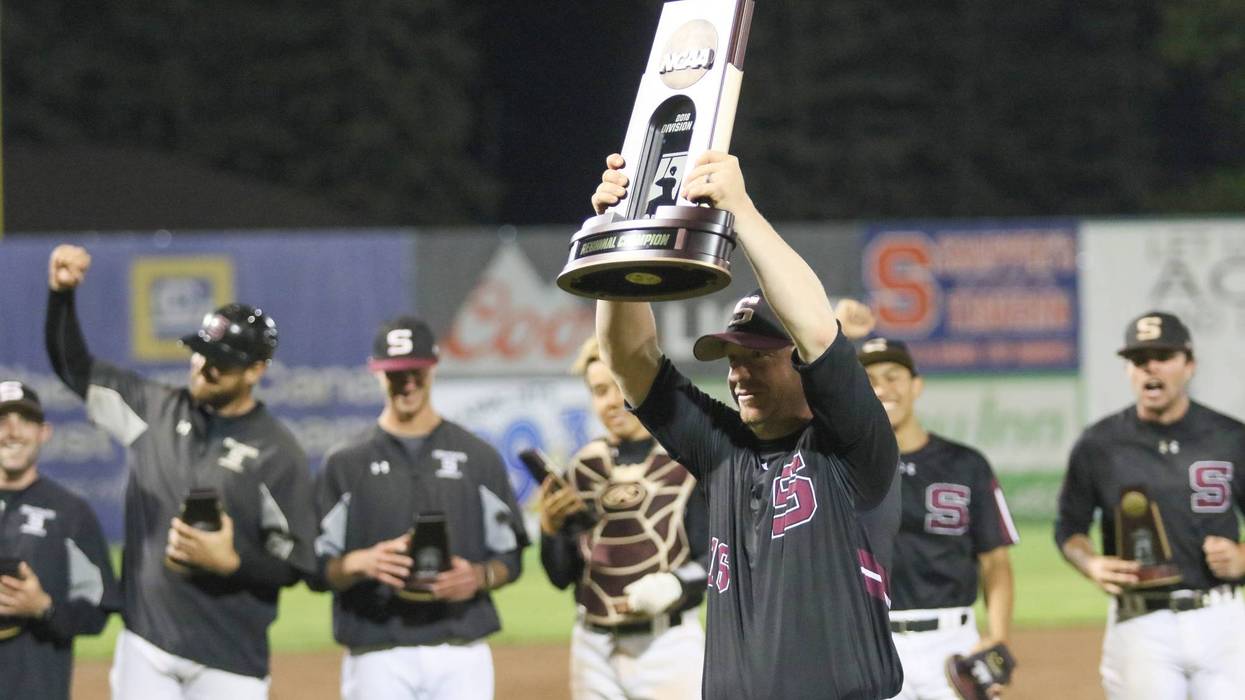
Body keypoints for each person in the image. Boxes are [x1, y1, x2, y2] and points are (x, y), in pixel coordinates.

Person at [590, 151, 903, 699]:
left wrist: (741, 209)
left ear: (798, 359)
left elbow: (819, 331)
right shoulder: (724, 451)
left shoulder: (852, 448)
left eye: (758, 356)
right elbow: (629, 359)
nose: (738, 373)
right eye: (733, 359)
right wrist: (624, 238)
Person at [44, 244, 318, 699]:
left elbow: (298, 563)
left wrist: (235, 562)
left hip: (232, 656)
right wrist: (61, 295)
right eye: (200, 351)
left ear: (256, 370)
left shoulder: (277, 451)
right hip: (147, 646)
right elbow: (75, 368)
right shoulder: (153, 410)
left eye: (221, 360)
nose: (204, 367)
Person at [311, 315, 529, 700]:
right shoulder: (345, 463)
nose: (408, 383)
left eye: (416, 371)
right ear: (376, 372)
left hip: (461, 649)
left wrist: (479, 577)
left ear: (433, 366)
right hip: (377, 650)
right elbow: (315, 568)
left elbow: (510, 558)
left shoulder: (478, 457)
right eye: (396, 373)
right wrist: (361, 563)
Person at [1055, 310, 1245, 699]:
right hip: (1140, 623)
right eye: (1139, 360)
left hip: (1221, 618)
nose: (1150, 368)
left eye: (1163, 356)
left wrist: (1243, 557)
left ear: (1189, 365)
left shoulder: (1231, 438)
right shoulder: (1100, 444)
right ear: (1129, 371)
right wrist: (1090, 563)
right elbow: (1069, 528)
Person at [538, 336, 708, 699]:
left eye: (618, 386)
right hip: (593, 647)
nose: (612, 401)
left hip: (668, 645)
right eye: (600, 391)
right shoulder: (583, 468)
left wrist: (675, 585)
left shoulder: (686, 460)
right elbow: (561, 576)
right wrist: (550, 530)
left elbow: (715, 560)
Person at [858, 338, 1018, 699]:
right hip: (871, 641)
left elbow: (995, 561)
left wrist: (998, 637)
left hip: (952, 645)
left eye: (893, 376)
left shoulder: (966, 464)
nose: (882, 388)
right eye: (867, 379)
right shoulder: (842, 469)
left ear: (916, 385)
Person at [0, 379, 120, 699]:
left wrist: (43, 608)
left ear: (44, 433)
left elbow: (98, 611)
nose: (12, 432)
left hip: (34, 685)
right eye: (2, 421)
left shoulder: (70, 513)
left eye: (25, 420)